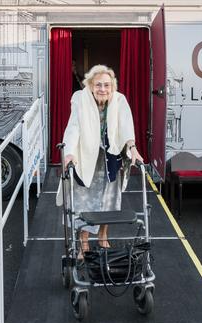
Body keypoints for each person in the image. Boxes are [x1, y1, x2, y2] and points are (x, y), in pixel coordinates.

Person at [60, 64, 143, 258]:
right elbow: (74, 127)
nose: (103, 89)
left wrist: (133, 148)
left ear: (112, 86)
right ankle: (84, 242)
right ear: (89, 85)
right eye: (98, 85)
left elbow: (126, 127)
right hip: (86, 157)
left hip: (110, 157)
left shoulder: (119, 99)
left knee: (108, 199)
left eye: (107, 85)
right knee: (84, 201)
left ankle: (103, 235)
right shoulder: (80, 99)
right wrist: (69, 152)